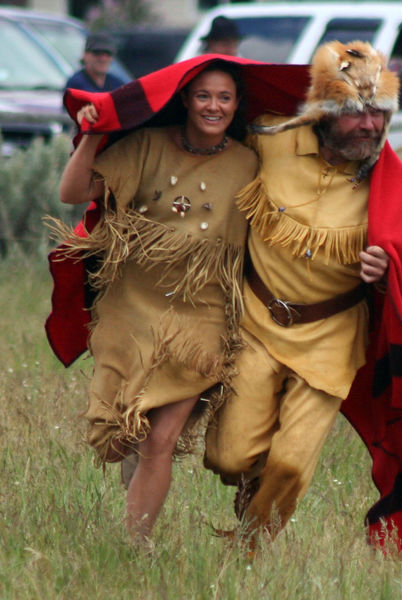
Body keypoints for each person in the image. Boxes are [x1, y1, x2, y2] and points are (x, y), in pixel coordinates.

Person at [204, 40, 402, 555]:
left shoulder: (388, 181)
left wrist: (386, 271)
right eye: (355, 114)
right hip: (257, 324)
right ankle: (252, 492)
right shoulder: (270, 142)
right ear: (324, 113)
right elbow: (203, 137)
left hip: (331, 338)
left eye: (378, 114)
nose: (370, 126)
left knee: (289, 465)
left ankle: (244, 556)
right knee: (231, 457)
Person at [45, 55, 310, 545]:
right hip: (133, 303)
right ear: (186, 98)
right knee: (122, 434)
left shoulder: (250, 162)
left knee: (160, 441)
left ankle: (135, 546)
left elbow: (286, 220)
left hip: (203, 309)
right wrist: (94, 135)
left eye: (224, 98)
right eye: (204, 95)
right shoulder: (145, 146)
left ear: (236, 106)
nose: (214, 106)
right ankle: (134, 466)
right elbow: (72, 191)